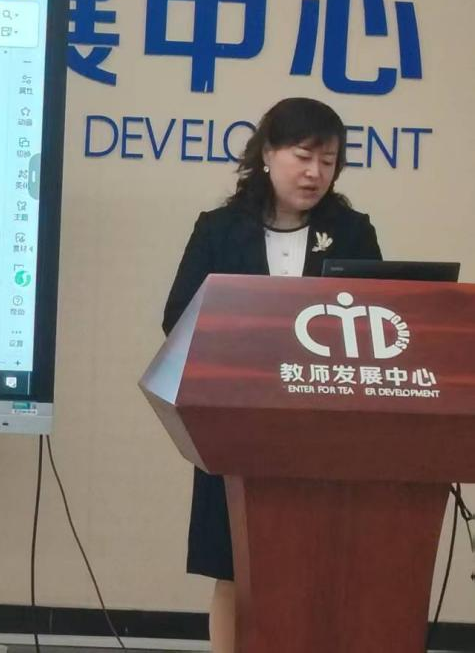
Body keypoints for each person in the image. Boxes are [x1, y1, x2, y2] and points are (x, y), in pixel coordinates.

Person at [161, 97, 383, 653]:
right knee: (234, 567)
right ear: (267, 154)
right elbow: (178, 319)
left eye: (328, 162)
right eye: (303, 157)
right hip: (237, 428)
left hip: (324, 431)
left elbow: (377, 324)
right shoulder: (220, 230)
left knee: (319, 568)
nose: (315, 174)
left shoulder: (352, 232)